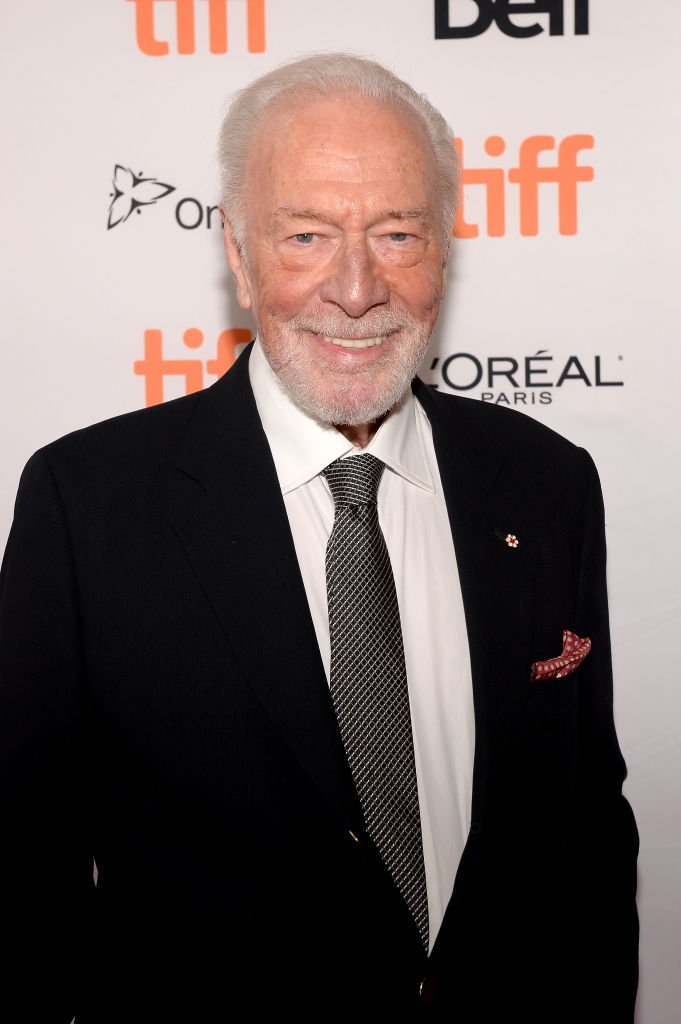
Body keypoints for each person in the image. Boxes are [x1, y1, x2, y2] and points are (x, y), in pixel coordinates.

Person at [0, 54, 638, 1021]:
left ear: (444, 247)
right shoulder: (87, 504)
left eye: (396, 232)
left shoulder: (548, 484)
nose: (354, 288)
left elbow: (589, 823)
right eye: (306, 234)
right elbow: (24, 868)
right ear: (239, 255)